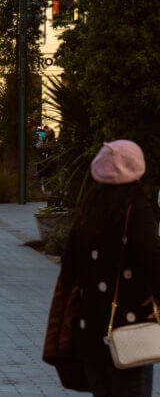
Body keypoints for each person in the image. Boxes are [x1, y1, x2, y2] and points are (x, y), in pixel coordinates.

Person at [56, 140, 160, 397]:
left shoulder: (88, 210)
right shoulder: (136, 209)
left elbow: (70, 266)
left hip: (89, 325)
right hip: (129, 327)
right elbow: (152, 261)